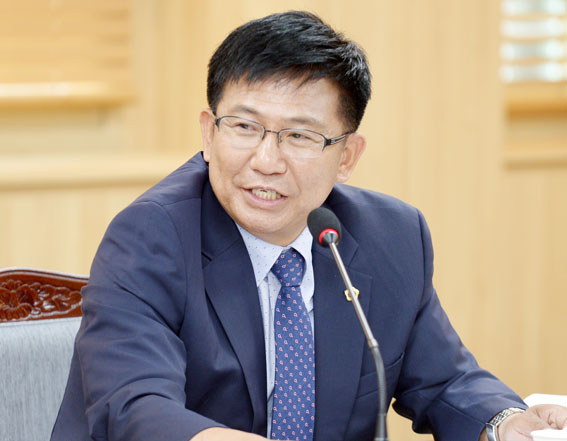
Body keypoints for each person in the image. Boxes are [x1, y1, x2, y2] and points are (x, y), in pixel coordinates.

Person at [51, 11, 567, 441]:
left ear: (347, 157)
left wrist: (505, 421)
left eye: (299, 136)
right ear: (208, 133)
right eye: (245, 127)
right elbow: (135, 406)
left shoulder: (391, 237)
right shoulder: (150, 236)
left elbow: (445, 381)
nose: (266, 161)